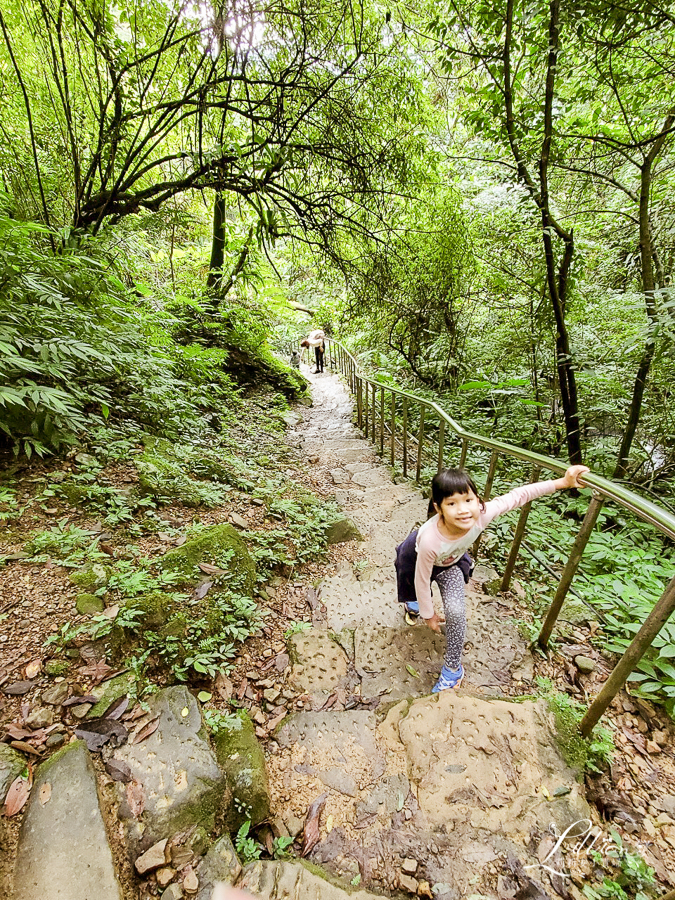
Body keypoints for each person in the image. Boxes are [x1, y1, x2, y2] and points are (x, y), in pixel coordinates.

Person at [395, 464, 589, 692]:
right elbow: (421, 578)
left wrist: (562, 483)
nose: (463, 510)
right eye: (451, 504)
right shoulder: (429, 541)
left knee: (456, 612)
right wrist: (429, 614)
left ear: (478, 500)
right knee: (415, 592)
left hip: (450, 563)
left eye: (468, 500)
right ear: (439, 508)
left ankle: (453, 669)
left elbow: (520, 495)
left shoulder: (483, 514)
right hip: (416, 558)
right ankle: (414, 605)